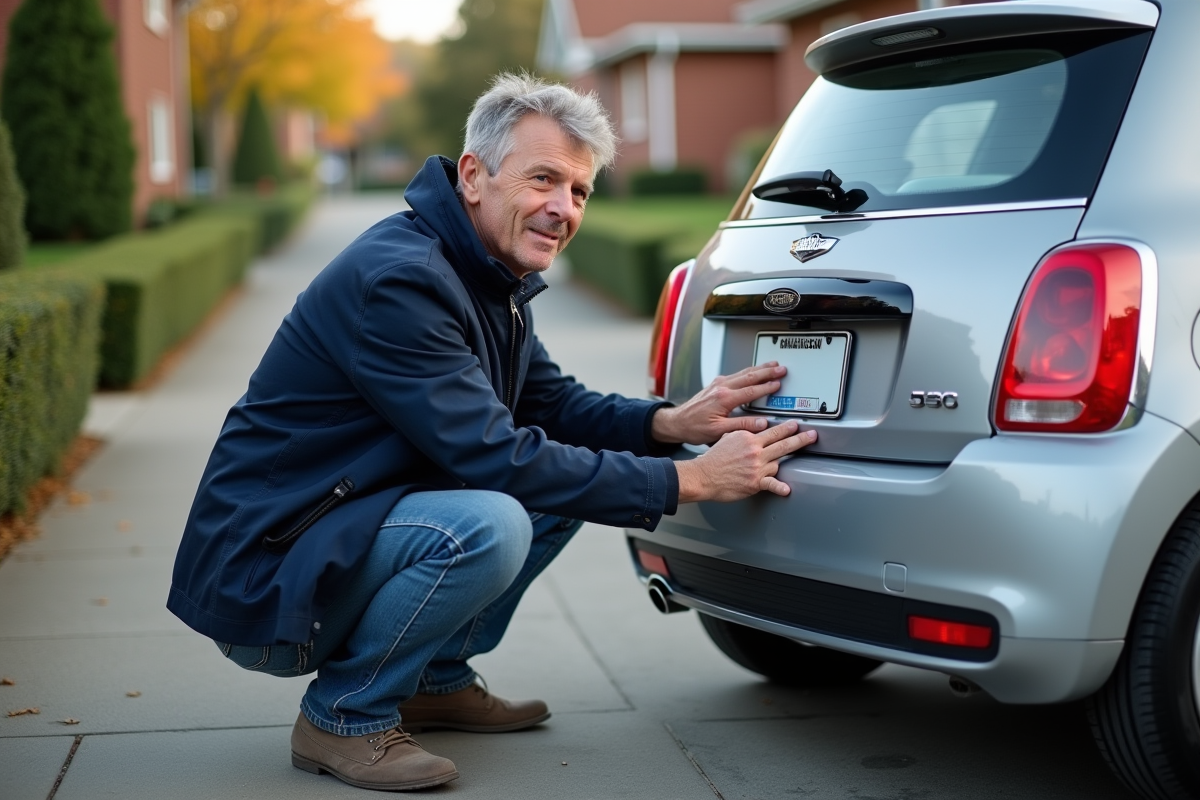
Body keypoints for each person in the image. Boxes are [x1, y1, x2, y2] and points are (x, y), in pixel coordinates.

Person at [167, 73, 816, 792]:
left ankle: (434, 680)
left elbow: (551, 402)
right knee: (489, 522)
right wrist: (690, 478)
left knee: (556, 487)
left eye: (579, 191)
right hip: (269, 570)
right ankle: (343, 717)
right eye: (543, 179)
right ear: (474, 176)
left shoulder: (483, 272)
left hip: (335, 529)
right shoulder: (402, 281)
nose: (562, 209)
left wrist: (666, 423)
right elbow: (493, 455)